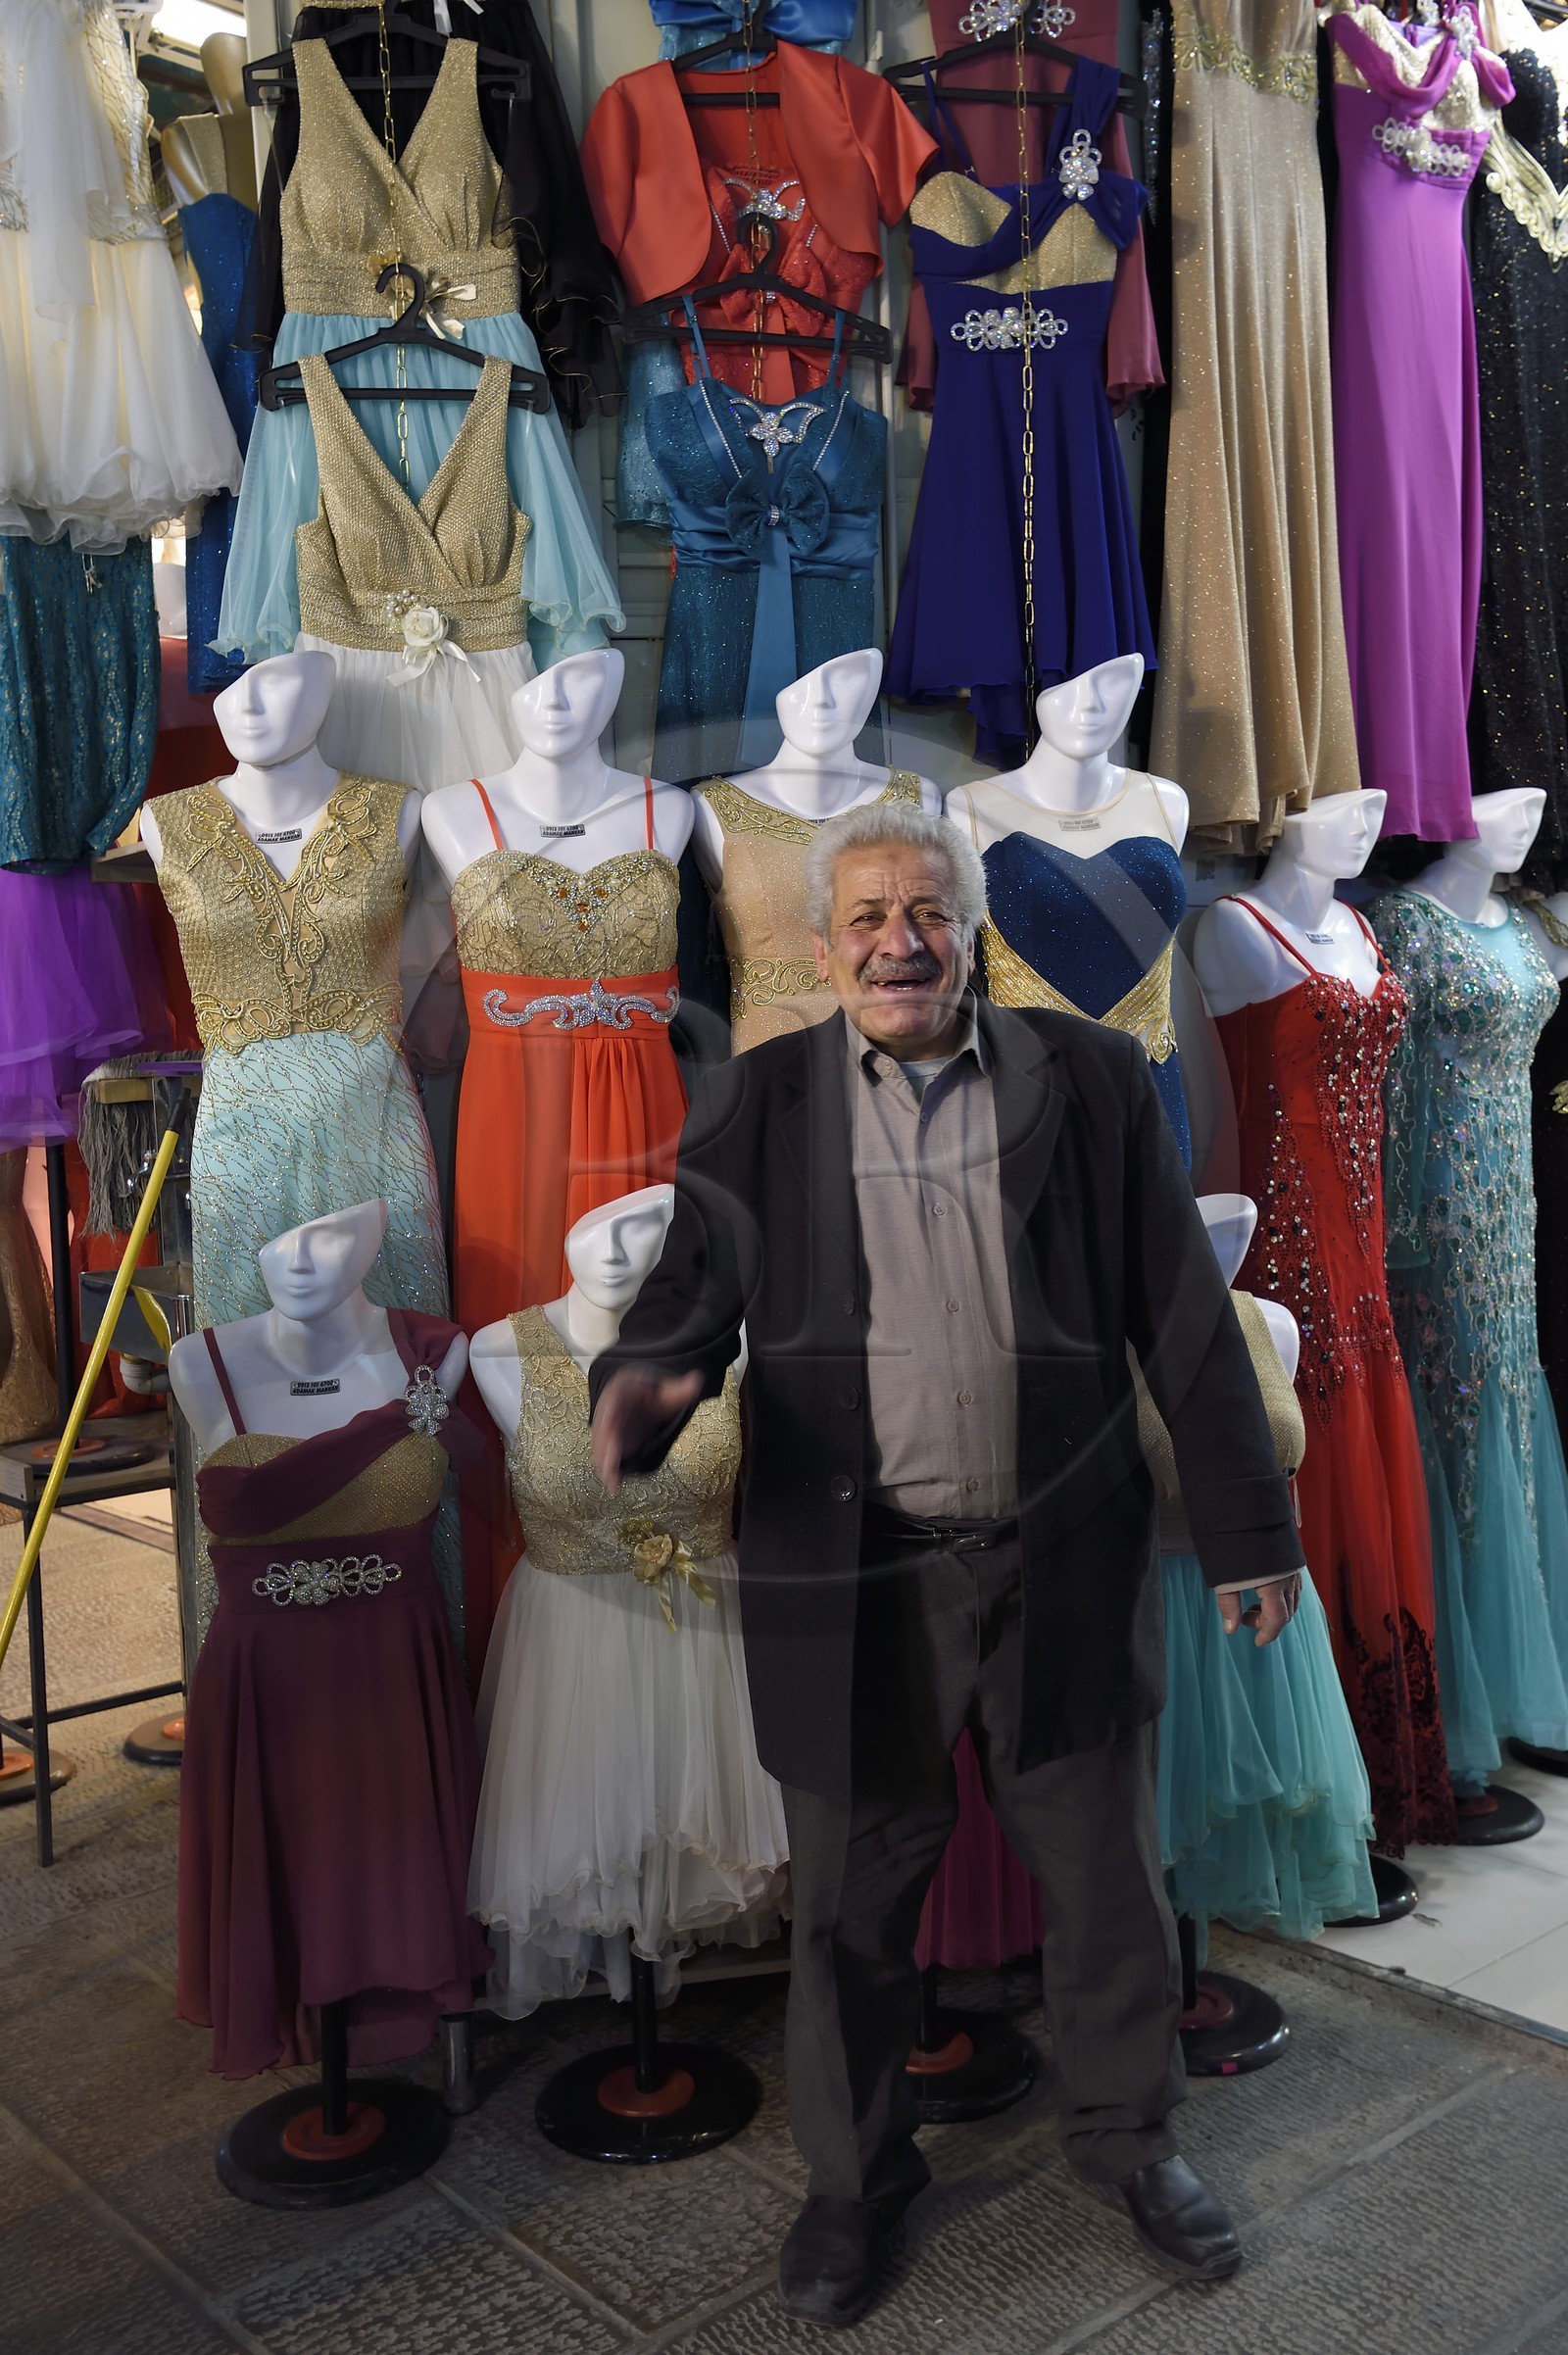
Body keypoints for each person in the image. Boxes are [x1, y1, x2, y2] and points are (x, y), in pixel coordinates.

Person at [590, 804, 1304, 2327]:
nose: (896, 942)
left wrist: (1252, 1533)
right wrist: (643, 1393)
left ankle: (1127, 2142)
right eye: (863, 918)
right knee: (848, 1913)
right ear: (819, 942)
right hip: (856, 1586)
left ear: (967, 929)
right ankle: (854, 2185)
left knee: (1105, 1887)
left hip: (1060, 1565)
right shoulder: (754, 1105)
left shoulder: (1099, 1083)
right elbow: (683, 1305)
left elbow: (1184, 1322)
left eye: (925, 911)